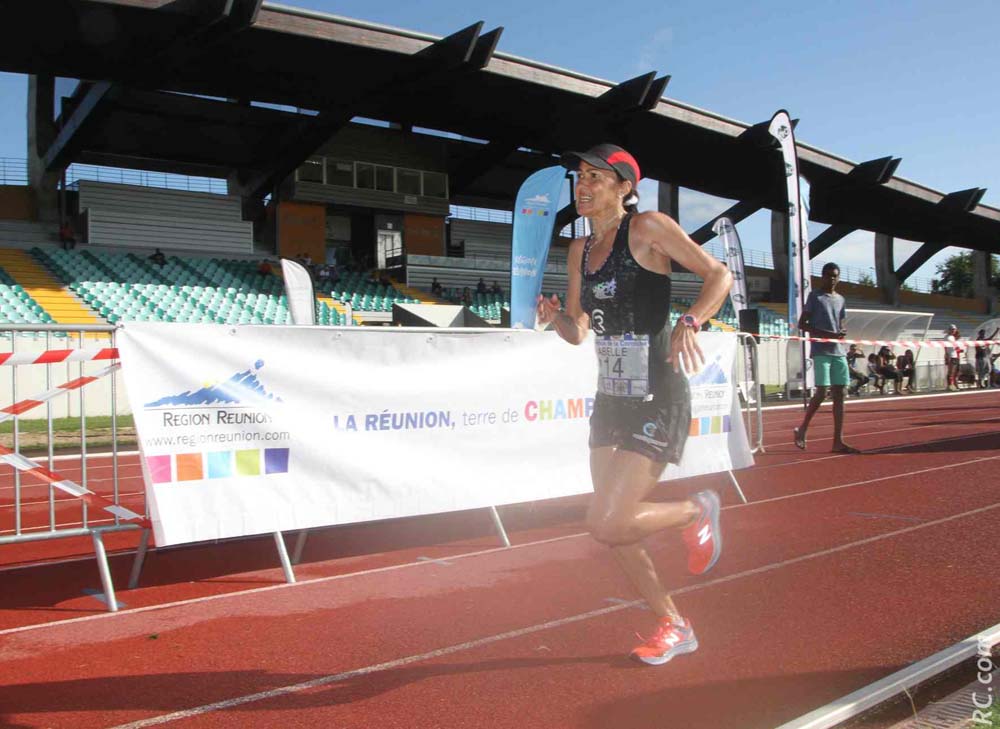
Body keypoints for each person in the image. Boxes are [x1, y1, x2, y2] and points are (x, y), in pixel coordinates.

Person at [536, 143, 732, 666]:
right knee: (612, 525)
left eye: (597, 177)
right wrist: (556, 316)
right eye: (579, 176)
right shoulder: (578, 249)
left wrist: (692, 320)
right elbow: (578, 331)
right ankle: (674, 624)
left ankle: (697, 510)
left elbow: (720, 274)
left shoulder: (647, 228)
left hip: (657, 393)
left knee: (606, 521)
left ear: (624, 187)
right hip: (611, 398)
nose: (583, 185)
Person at [792, 262, 859, 454]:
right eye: (829, 275)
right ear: (822, 276)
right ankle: (803, 428)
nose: (832, 279)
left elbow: (840, 323)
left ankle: (838, 441)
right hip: (821, 350)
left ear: (838, 278)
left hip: (838, 351)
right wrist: (824, 333)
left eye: (835, 276)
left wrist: (841, 331)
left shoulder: (841, 299)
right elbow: (802, 324)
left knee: (841, 394)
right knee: (821, 393)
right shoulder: (815, 297)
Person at [945, 325, 963, 391]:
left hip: (955, 356)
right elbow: (953, 346)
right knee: (951, 372)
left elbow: (956, 347)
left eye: (954, 329)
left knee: (956, 372)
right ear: (949, 330)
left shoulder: (953, 337)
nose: (953, 331)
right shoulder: (948, 337)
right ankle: (950, 386)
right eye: (952, 329)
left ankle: (954, 385)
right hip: (951, 356)